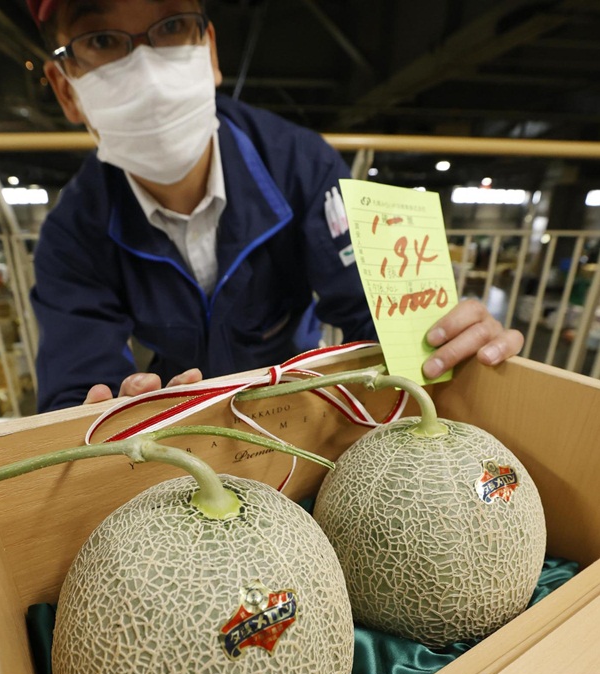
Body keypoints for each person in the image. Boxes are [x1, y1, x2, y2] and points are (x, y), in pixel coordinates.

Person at [28, 0, 523, 412]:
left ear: (210, 51)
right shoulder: (71, 234)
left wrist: (448, 343)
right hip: (177, 418)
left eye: (173, 25)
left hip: (297, 402)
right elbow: (74, 390)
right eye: (101, 40)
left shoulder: (304, 165)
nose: (147, 69)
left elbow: (382, 318)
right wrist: (102, 418)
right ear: (65, 88)